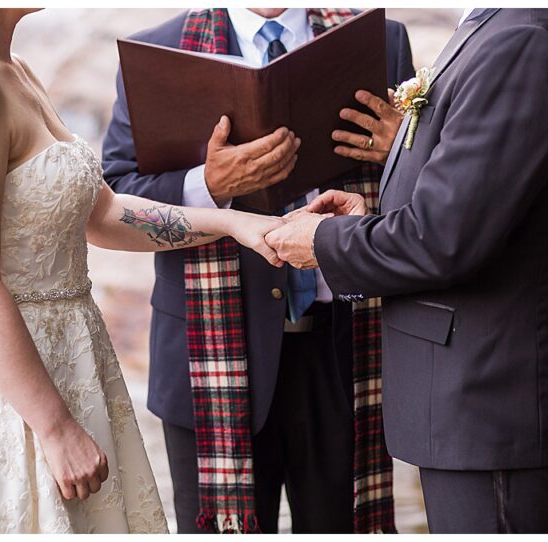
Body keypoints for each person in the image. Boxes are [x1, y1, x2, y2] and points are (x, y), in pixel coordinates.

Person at [0, 9, 286, 534]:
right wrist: (54, 427)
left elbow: (102, 213)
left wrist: (234, 223)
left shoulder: (13, 67)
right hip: (6, 389)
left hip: (75, 363)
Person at [266, 8, 548, 533]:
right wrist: (379, 207)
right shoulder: (511, 25)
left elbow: (442, 238)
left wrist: (322, 241)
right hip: (486, 395)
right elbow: (479, 199)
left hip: (494, 395)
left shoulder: (522, 39)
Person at [100, 8, 412, 533]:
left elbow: (427, 200)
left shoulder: (379, 40)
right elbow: (116, 199)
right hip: (210, 357)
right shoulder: (159, 51)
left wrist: (404, 148)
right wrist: (208, 183)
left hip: (344, 351)